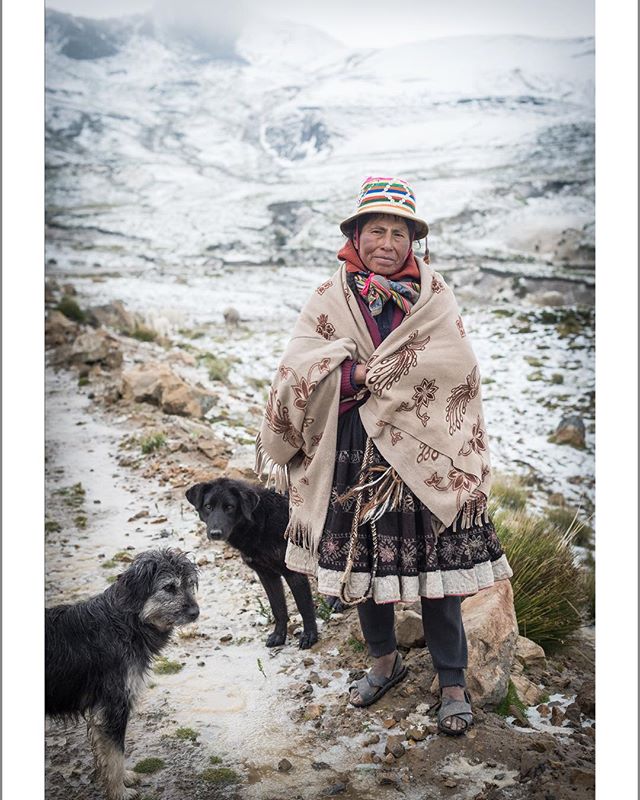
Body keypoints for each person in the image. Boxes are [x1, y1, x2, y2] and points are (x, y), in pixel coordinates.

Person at [255, 176, 512, 735]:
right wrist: (353, 375)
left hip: (427, 459)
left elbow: (456, 370)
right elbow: (296, 370)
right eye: (377, 230)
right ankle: (384, 662)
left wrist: (396, 377)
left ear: (414, 240)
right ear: (356, 233)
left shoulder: (434, 297)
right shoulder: (329, 298)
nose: (388, 242)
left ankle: (452, 682)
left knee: (440, 579)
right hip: (355, 454)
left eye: (400, 232)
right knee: (362, 571)